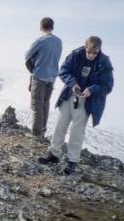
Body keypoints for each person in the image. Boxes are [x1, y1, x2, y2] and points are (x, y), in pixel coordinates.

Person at [38, 36, 114, 174]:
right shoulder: (75, 54)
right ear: (85, 47)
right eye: (88, 51)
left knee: (77, 130)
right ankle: (54, 154)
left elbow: (107, 85)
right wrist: (72, 83)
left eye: (94, 53)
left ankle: (72, 161)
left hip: (87, 100)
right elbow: (63, 71)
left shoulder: (104, 62)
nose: (91, 55)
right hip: (69, 95)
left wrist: (92, 90)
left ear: (99, 50)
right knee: (61, 124)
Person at [25, 17, 63, 137]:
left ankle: (36, 134)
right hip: (52, 77)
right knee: (45, 104)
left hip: (40, 76)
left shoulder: (41, 40)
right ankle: (42, 131)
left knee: (37, 105)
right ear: (52, 27)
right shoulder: (59, 41)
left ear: (41, 27)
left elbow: (26, 54)